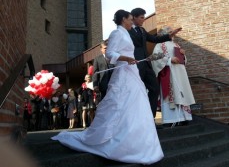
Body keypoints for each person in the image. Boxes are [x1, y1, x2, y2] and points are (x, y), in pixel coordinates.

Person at [52, 9, 164, 165]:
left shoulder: (127, 33)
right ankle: (115, 139)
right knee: (121, 103)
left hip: (131, 73)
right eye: (130, 19)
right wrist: (125, 58)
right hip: (123, 73)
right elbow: (111, 54)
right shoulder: (116, 34)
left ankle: (137, 140)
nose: (132, 21)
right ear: (123, 19)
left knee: (137, 103)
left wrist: (132, 59)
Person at [128, 7, 182, 118]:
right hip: (135, 65)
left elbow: (154, 39)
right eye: (142, 18)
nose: (143, 20)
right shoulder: (127, 30)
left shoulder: (142, 30)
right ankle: (136, 117)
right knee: (136, 91)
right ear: (134, 17)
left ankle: (150, 118)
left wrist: (169, 36)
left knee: (155, 88)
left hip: (147, 65)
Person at [151, 26, 196, 126]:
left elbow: (183, 61)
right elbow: (155, 59)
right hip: (169, 73)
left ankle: (184, 118)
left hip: (180, 73)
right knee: (172, 94)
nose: (173, 34)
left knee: (182, 93)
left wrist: (183, 55)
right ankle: (170, 120)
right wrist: (169, 60)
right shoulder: (159, 45)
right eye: (171, 32)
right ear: (165, 34)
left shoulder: (176, 45)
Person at [92, 39, 111, 104]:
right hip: (103, 85)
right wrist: (95, 85)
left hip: (113, 85)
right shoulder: (97, 59)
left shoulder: (112, 57)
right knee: (104, 104)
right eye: (105, 48)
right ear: (101, 49)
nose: (107, 49)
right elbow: (95, 73)